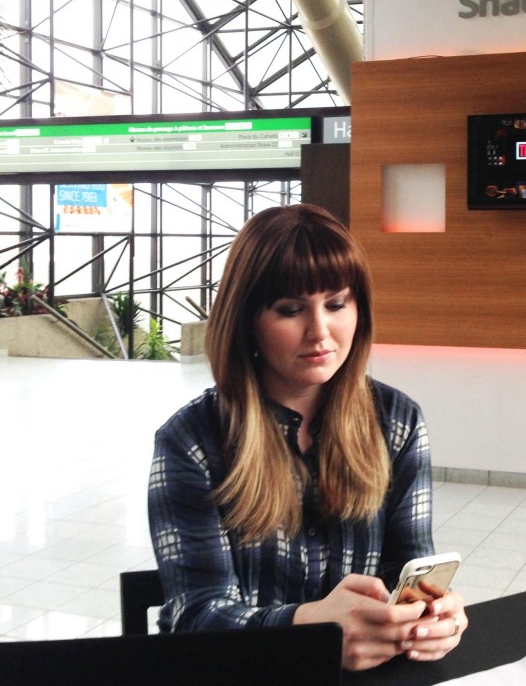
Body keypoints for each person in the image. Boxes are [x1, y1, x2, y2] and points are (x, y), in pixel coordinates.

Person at [148, 204, 467, 672]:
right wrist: (310, 632)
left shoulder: (397, 422)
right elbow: (198, 616)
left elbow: (409, 567)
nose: (320, 331)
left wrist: (432, 617)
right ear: (247, 319)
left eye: (337, 304)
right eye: (291, 309)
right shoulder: (192, 440)